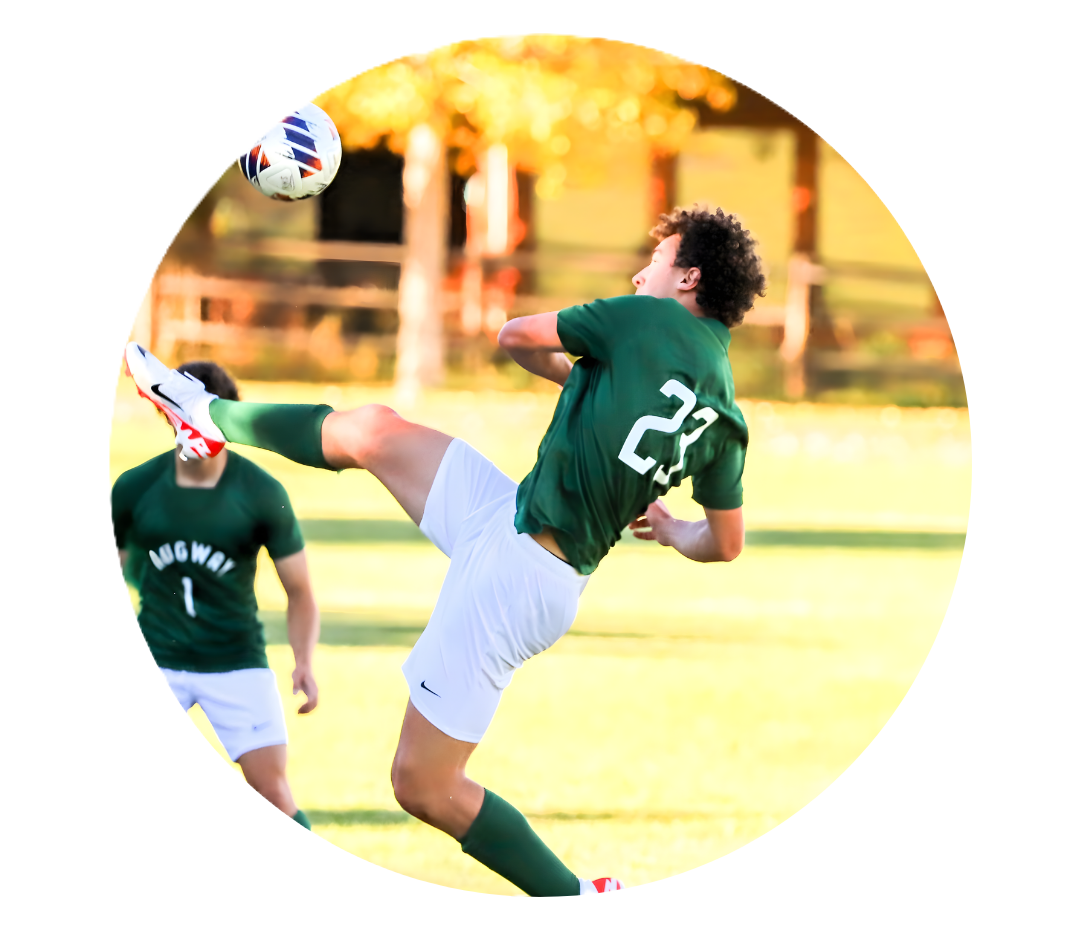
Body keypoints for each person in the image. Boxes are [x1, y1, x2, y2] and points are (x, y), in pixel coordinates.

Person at [123, 205, 766, 895]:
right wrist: (671, 530)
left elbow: (516, 335)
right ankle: (205, 412)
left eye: (660, 260)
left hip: (515, 577)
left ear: (689, 277)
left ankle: (576, 898)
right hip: (514, 527)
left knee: (422, 785)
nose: (643, 273)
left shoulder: (646, 319)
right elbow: (725, 543)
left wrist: (587, 375)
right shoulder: (725, 410)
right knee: (373, 431)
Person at [111, 361, 320, 830]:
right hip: (156, 659)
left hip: (235, 660)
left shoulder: (262, 493)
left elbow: (300, 590)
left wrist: (303, 659)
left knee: (273, 796)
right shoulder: (135, 487)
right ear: (168, 413)